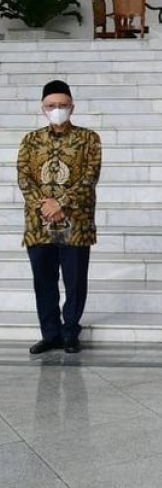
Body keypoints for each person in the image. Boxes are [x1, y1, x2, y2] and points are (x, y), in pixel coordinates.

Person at [17, 80, 102, 355]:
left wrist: (61, 203)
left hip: (76, 224)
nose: (57, 110)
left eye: (62, 105)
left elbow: (90, 177)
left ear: (72, 107)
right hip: (39, 225)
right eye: (52, 106)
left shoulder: (89, 138)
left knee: (75, 280)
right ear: (43, 109)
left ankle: (70, 332)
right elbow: (24, 177)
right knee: (44, 281)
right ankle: (50, 334)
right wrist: (45, 206)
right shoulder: (31, 140)